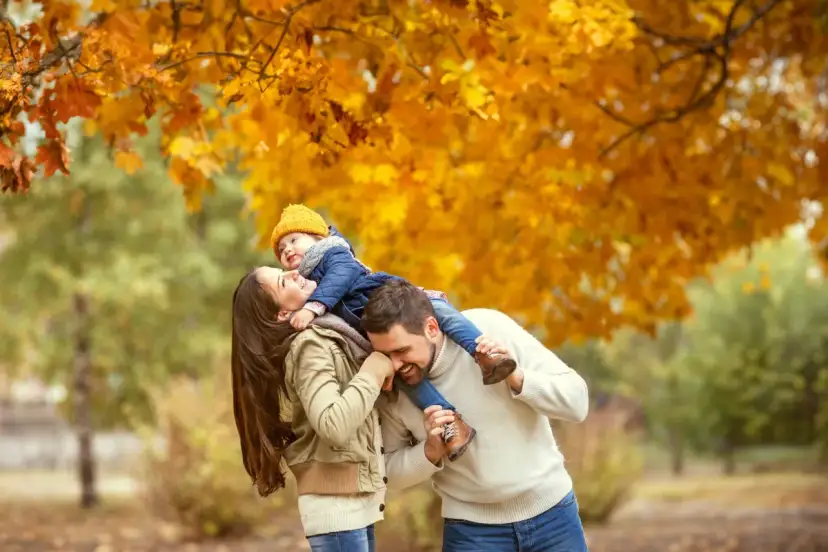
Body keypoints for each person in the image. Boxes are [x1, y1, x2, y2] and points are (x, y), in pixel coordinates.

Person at [363, 280, 590, 552]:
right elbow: (389, 473)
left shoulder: (490, 329)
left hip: (553, 517)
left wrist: (517, 378)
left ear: (432, 328)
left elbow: (577, 403)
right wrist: (429, 452)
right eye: (385, 355)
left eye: (401, 351)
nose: (395, 365)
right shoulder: (393, 389)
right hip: (472, 533)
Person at [269, 204, 510, 460]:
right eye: (282, 250)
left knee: (441, 313)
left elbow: (343, 276)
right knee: (409, 379)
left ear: (318, 237)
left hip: (397, 303)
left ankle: (485, 353)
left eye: (294, 240)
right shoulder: (306, 283)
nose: (288, 250)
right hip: (381, 332)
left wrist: (313, 308)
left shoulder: (333, 253)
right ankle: (451, 423)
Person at [231, 266, 395, 552]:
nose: (295, 272)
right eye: (284, 282)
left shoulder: (330, 332)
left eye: (284, 270)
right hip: (338, 511)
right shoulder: (309, 344)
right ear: (283, 315)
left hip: (352, 505)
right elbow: (333, 424)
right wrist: (375, 368)